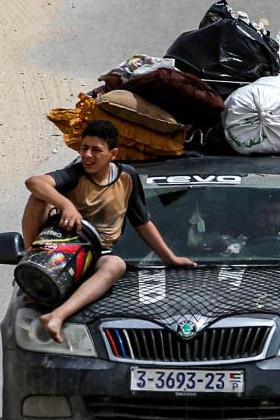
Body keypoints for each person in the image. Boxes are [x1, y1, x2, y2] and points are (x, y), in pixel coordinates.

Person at [21, 120, 195, 342]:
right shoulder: (74, 174)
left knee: (116, 264)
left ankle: (57, 316)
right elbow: (34, 182)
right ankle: (31, 259)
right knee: (38, 197)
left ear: (113, 154)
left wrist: (171, 258)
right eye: (84, 148)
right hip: (59, 248)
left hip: (96, 253)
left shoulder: (127, 177)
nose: (88, 155)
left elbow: (142, 222)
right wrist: (67, 206)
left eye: (96, 150)